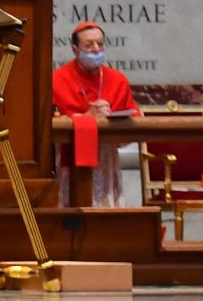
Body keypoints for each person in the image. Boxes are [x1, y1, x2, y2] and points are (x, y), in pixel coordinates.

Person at [50, 21, 140, 207]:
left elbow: (134, 121)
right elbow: (48, 124)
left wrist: (113, 119)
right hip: (70, 160)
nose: (96, 49)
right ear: (75, 50)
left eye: (100, 43)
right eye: (88, 45)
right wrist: (86, 116)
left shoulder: (117, 80)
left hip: (106, 159)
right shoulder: (56, 79)